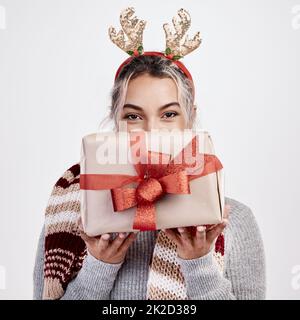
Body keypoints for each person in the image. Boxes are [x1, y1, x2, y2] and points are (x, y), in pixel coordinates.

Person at [33, 7, 266, 300]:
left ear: (190, 119)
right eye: (133, 116)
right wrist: (99, 266)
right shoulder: (73, 218)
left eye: (168, 114)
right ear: (115, 119)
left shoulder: (235, 221)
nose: (151, 132)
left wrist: (199, 264)